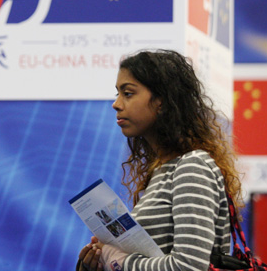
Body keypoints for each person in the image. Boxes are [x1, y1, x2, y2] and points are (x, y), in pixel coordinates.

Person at [77, 49, 243, 271]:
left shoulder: (193, 167)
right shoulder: (161, 173)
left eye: (127, 93)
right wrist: (97, 263)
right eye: (117, 93)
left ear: (161, 102)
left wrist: (118, 261)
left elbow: (189, 267)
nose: (116, 104)